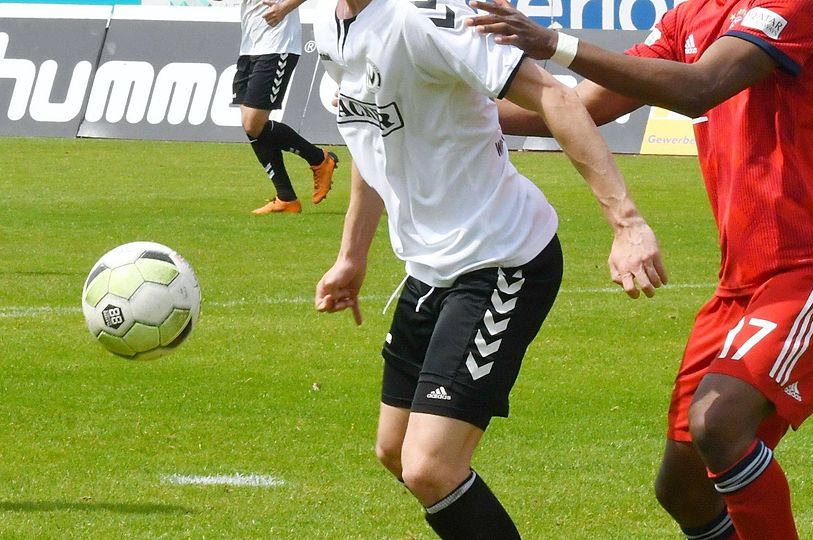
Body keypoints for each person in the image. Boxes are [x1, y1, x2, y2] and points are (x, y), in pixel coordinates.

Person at [468, 0, 813, 538]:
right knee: (683, 488)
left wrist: (553, 44)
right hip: (741, 283)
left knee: (719, 423)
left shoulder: (800, 4)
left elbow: (700, 87)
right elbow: (579, 106)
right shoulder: (690, 15)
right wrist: (455, 111)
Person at [311, 0, 666, 537]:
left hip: (502, 259)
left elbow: (555, 96)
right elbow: (371, 137)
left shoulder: (424, 15)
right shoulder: (326, 21)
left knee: (430, 467)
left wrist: (628, 223)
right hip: (428, 268)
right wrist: (352, 257)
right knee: (395, 450)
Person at [232, 0, 338, 214]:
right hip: (250, 44)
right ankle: (287, 198)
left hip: (277, 44)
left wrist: (284, 8)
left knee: (253, 124)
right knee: (251, 125)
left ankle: (318, 159)